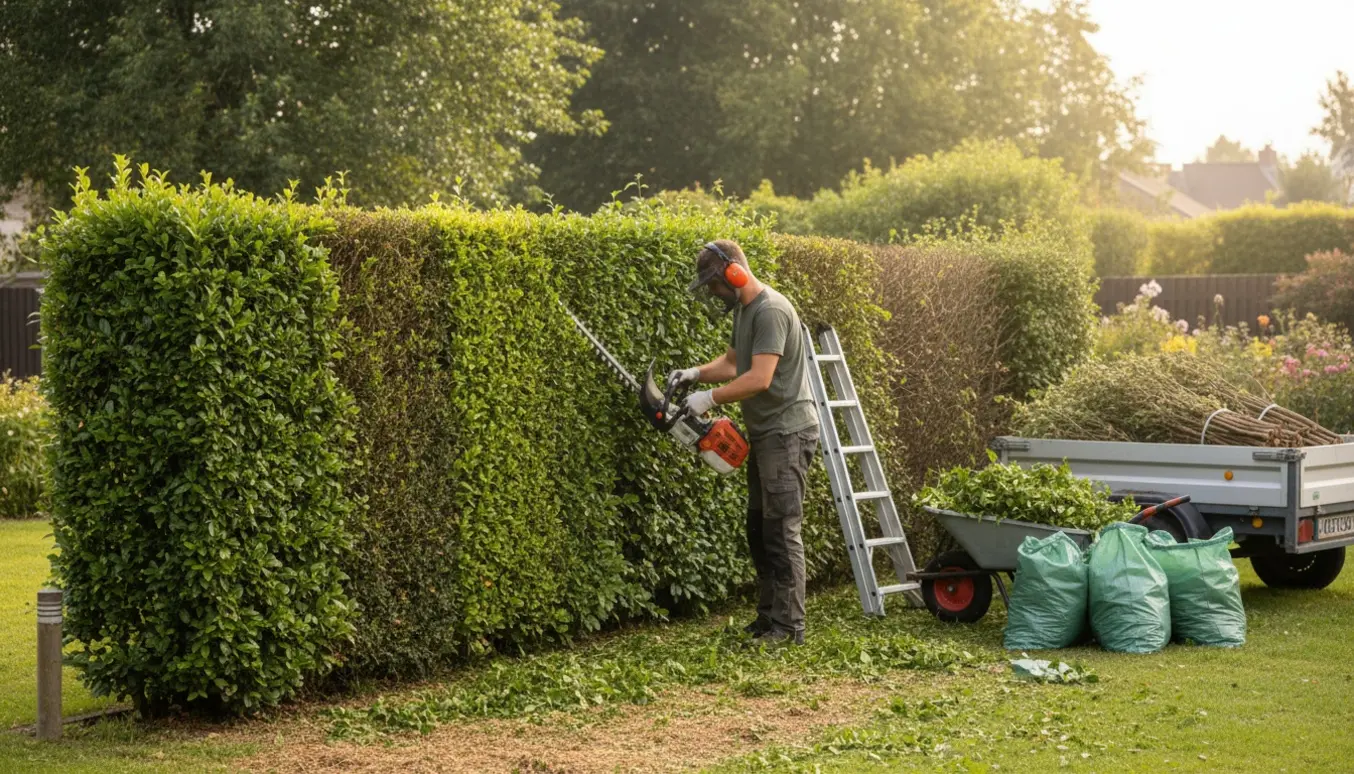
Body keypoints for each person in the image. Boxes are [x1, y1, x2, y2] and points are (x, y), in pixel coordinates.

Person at [670, 240, 820, 646]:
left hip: (787, 432)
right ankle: (769, 618)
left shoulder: (770, 310)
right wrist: (695, 375)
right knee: (759, 527)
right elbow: (734, 363)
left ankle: (790, 628)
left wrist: (710, 399)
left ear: (735, 272)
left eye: (716, 283)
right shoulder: (746, 310)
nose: (715, 292)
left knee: (781, 528)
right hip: (766, 433)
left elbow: (759, 378)